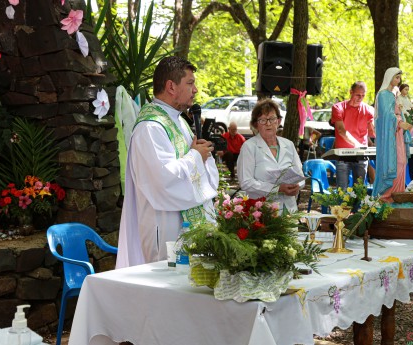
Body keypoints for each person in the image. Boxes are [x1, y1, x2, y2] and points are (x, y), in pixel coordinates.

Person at [116, 56, 219, 268]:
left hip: (185, 225)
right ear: (171, 86)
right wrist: (196, 157)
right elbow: (162, 179)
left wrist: (201, 156)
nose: (196, 89)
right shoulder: (150, 127)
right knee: (168, 291)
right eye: (190, 83)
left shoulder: (178, 121)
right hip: (166, 228)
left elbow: (196, 168)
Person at [237, 99, 304, 213]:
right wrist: (278, 189)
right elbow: (246, 182)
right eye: (263, 120)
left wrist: (298, 186)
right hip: (262, 212)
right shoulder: (249, 147)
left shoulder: (289, 144)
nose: (268, 123)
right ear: (255, 124)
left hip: (289, 210)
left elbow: (300, 175)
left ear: (278, 121)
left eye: (272, 119)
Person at [372, 67, 412, 202]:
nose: (398, 80)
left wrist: (406, 119)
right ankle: (386, 196)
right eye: (396, 77)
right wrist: (399, 123)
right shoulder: (383, 94)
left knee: (402, 162)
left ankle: (397, 195)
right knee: (396, 163)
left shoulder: (393, 94)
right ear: (389, 77)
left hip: (397, 134)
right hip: (389, 135)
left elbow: (397, 113)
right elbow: (385, 116)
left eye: (399, 77)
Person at [330, 81, 376, 189]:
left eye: (363, 96)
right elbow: (341, 130)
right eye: (358, 95)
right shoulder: (338, 107)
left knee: (359, 191)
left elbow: (373, 131)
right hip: (343, 155)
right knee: (342, 191)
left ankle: (357, 207)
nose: (360, 98)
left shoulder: (369, 109)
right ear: (351, 92)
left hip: (361, 155)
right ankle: (342, 206)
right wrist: (357, 144)